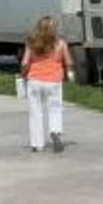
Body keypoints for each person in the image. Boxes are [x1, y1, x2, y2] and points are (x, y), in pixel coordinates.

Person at [20, 17, 73, 153]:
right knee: (55, 108)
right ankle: (55, 131)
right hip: (54, 81)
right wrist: (69, 74)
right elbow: (68, 62)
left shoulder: (32, 43)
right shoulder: (60, 44)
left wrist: (24, 75)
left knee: (35, 112)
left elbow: (25, 63)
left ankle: (37, 144)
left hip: (35, 80)